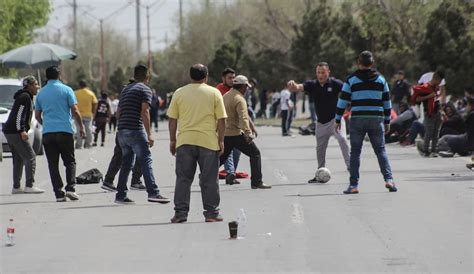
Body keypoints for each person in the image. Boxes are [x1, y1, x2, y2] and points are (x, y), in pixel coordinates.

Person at [167, 64, 227, 223]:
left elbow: (172, 119)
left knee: (183, 179)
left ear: (190, 76)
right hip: (208, 142)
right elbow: (222, 120)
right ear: (206, 77)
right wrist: (221, 140)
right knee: (209, 180)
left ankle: (180, 213)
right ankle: (211, 213)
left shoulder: (179, 93)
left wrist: (173, 140)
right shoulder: (214, 93)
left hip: (185, 141)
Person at [335, 51, 397, 194]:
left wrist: (338, 119)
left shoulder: (351, 80)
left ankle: (353, 185)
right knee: (380, 151)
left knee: (355, 153)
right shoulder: (381, 80)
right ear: (372, 63)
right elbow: (387, 102)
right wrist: (387, 121)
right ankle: (389, 180)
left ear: (359, 62)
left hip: (357, 119)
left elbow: (342, 101)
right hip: (376, 119)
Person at [114, 64, 170, 204]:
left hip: (122, 131)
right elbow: (145, 111)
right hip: (135, 130)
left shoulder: (126, 89)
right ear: (147, 77)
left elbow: (118, 112)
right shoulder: (145, 89)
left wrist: (121, 128)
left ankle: (120, 195)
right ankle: (153, 193)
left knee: (126, 162)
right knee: (146, 159)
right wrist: (149, 133)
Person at [287, 62, 350, 182]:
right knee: (320, 149)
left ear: (328, 72)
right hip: (321, 123)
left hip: (335, 120)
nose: (320, 75)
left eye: (323, 72)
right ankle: (320, 171)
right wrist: (293, 85)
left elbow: (348, 90)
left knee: (342, 140)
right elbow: (299, 87)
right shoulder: (313, 84)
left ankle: (351, 168)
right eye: (318, 72)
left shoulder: (335, 83)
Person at [35, 66, 85, 202]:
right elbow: (75, 110)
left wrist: (46, 124)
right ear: (59, 75)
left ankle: (58, 194)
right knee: (70, 161)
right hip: (65, 130)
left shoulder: (41, 93)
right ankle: (70, 188)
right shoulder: (67, 90)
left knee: (53, 164)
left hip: (48, 132)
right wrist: (81, 127)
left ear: (46, 76)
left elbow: (37, 115)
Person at [220, 75, 271, 190]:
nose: (247, 89)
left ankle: (205, 175)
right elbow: (243, 117)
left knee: (221, 159)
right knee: (255, 153)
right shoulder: (239, 99)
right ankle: (257, 182)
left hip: (225, 134)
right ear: (243, 87)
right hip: (236, 134)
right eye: (246, 87)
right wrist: (248, 133)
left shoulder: (226, 96)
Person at [2, 76, 44, 194]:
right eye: (36, 84)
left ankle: (16, 187)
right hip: (15, 132)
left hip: (9, 131)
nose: (37, 87)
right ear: (29, 86)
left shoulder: (24, 96)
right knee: (30, 156)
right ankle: (29, 185)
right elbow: (20, 114)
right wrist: (22, 130)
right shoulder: (25, 97)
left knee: (18, 158)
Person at [216, 67, 242, 185]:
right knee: (228, 151)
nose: (232, 80)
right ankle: (230, 172)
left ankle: (231, 174)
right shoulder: (218, 91)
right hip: (223, 126)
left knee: (237, 150)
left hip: (236, 126)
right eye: (229, 78)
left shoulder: (237, 90)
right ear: (223, 79)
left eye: (233, 78)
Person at [412, 71, 444, 157]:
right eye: (439, 81)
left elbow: (437, 99)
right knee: (429, 132)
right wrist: (429, 96)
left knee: (436, 132)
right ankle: (425, 150)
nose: (440, 83)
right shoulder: (425, 87)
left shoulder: (436, 87)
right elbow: (417, 99)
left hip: (437, 112)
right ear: (435, 78)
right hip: (429, 113)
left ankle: (434, 150)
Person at [74, 80, 97, 149]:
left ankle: (79, 144)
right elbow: (95, 103)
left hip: (78, 115)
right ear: (86, 85)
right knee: (88, 129)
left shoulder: (75, 93)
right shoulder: (91, 93)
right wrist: (93, 112)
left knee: (78, 130)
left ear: (79, 85)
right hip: (88, 114)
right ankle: (89, 144)